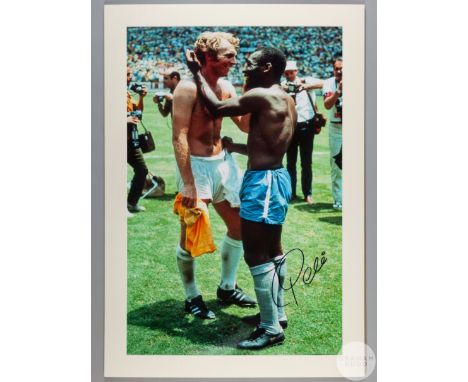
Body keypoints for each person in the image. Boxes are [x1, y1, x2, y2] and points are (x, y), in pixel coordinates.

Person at [186, 46, 297, 350]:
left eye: (250, 63)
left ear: (267, 67)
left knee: (256, 254)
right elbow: (270, 146)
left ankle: (271, 328)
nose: (244, 68)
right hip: (275, 177)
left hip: (263, 184)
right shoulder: (285, 98)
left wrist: (196, 72)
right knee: (273, 251)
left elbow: (216, 108)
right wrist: (237, 148)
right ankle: (278, 314)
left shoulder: (260, 96)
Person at [172, 31, 256, 321]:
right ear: (208, 58)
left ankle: (227, 287)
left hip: (223, 164)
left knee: (239, 227)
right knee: (191, 236)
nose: (234, 60)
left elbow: (244, 127)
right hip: (196, 167)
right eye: (228, 56)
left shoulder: (226, 85)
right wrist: (189, 182)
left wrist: (254, 91)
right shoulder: (186, 88)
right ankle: (191, 295)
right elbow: (179, 138)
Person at [282, 61, 323, 205]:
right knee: (290, 162)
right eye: (286, 73)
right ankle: (291, 193)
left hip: (307, 125)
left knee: (307, 162)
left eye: (291, 72)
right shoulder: (282, 85)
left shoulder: (306, 81)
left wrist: (305, 86)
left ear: (296, 71)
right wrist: (283, 88)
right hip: (290, 126)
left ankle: (308, 193)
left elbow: (323, 83)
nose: (289, 75)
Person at [127, 67, 149, 217]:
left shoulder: (127, 94)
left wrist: (141, 98)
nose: (130, 77)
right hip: (116, 140)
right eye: (128, 74)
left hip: (131, 139)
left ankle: (131, 203)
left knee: (142, 170)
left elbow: (138, 114)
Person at [323, 58, 343, 210]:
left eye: (342, 68)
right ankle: (338, 199)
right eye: (336, 68)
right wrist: (339, 91)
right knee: (337, 164)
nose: (339, 71)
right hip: (336, 128)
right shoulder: (329, 83)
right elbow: (327, 104)